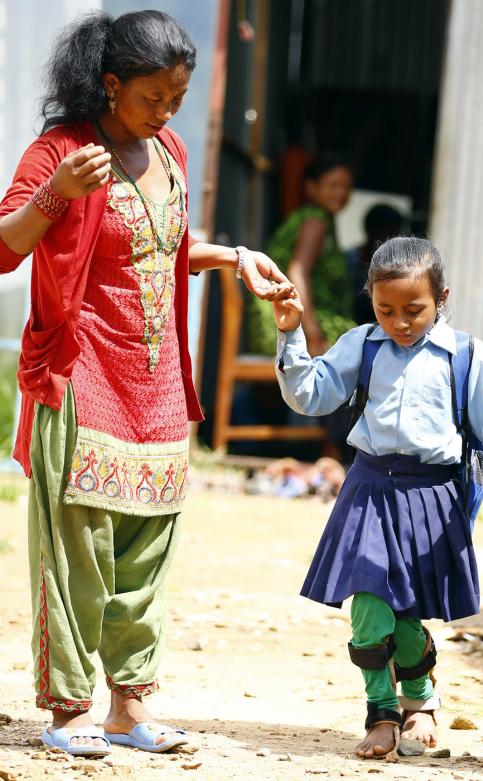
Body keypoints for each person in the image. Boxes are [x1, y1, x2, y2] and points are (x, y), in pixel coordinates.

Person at [0, 10, 292, 757]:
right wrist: (55, 192)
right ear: (110, 84)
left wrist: (232, 258)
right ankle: (69, 713)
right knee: (79, 554)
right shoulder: (61, 151)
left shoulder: (168, 149)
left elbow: (158, 247)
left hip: (157, 381)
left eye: (176, 100)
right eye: (151, 99)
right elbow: (6, 247)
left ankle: (129, 708)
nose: (165, 113)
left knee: (148, 550)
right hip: (82, 371)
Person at [271, 236, 483, 759]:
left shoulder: (466, 355)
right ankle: (381, 711)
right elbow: (311, 393)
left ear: (442, 297)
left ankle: (420, 699)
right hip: (370, 488)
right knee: (370, 604)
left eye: (414, 310)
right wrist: (290, 334)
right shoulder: (362, 345)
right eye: (385, 309)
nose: (399, 322)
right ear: (370, 301)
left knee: (408, 612)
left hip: (433, 497)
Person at [247, 152, 356, 357]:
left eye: (346, 187)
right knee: (356, 345)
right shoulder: (316, 220)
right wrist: (313, 335)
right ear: (312, 187)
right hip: (282, 323)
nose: (341, 193)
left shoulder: (316, 218)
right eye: (333, 186)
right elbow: (298, 272)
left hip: (279, 319)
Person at [345, 203, 405, 324]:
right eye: (388, 232)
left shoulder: (402, 265)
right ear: (370, 230)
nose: (391, 240)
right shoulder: (351, 259)